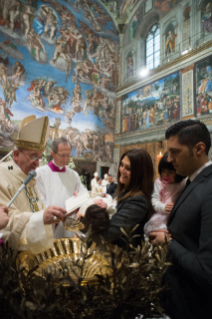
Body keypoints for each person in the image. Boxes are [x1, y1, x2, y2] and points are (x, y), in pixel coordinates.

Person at [160, 120, 212, 319]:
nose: (169, 158)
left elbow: (207, 272)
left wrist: (168, 243)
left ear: (199, 148)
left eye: (175, 151)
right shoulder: (193, 180)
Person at [0, 115, 67, 254]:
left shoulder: (28, 177)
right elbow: (6, 220)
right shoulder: (2, 175)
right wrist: (41, 218)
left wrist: (50, 215)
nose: (37, 162)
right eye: (33, 156)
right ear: (17, 154)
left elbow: (36, 208)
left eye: (39, 157)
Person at [89, 148, 154, 248]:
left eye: (128, 168)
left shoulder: (138, 201)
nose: (122, 170)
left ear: (140, 173)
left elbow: (108, 235)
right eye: (122, 165)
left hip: (125, 257)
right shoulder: (125, 191)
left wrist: (84, 223)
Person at [36, 137, 86, 238]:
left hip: (68, 224)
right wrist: (56, 215)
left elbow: (83, 195)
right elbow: (39, 201)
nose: (66, 159)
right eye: (62, 155)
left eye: (68, 155)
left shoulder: (73, 175)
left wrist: (78, 203)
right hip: (49, 224)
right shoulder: (40, 173)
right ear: (53, 153)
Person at [144, 152, 186, 243]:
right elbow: (154, 200)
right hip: (162, 215)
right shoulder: (159, 183)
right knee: (154, 230)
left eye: (170, 172)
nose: (166, 175)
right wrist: (163, 207)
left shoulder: (182, 183)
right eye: (163, 171)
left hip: (177, 215)